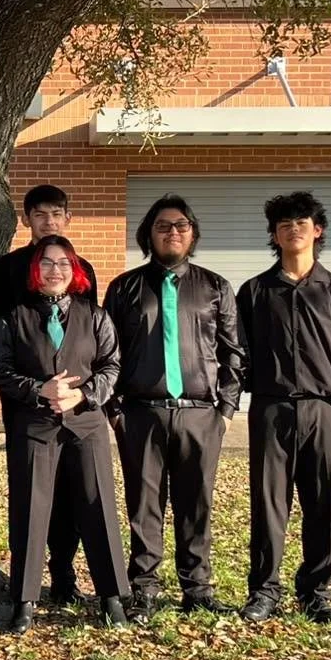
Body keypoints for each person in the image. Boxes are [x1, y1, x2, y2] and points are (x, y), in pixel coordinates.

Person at [103, 194, 244, 624]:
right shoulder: (125, 288)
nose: (173, 232)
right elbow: (108, 352)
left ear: (193, 233)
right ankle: (143, 587)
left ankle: (197, 588)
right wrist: (115, 409)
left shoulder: (215, 286)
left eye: (181, 225)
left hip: (201, 414)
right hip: (141, 413)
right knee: (144, 504)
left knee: (195, 502)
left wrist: (226, 407)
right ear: (148, 234)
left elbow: (234, 351)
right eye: (163, 226)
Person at [0, 235, 129, 634]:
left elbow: (111, 367)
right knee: (30, 512)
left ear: (76, 272)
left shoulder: (96, 315)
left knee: (98, 505)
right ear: (36, 271)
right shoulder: (14, 318)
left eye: (64, 264)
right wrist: (39, 391)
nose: (56, 271)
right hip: (33, 427)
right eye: (48, 264)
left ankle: (111, 596)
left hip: (85, 424)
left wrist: (82, 395)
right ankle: (25, 600)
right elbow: (0, 369)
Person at [237, 192, 331, 626]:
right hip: (270, 409)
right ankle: (264, 590)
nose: (294, 228)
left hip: (323, 409)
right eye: (284, 223)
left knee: (321, 499)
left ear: (317, 229)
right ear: (274, 234)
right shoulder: (254, 292)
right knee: (269, 502)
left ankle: (315, 590)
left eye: (302, 221)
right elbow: (242, 350)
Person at [0, 184, 99, 606]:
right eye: (39, 214)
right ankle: (27, 586)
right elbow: (1, 334)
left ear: (67, 218)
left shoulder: (80, 266)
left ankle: (64, 571)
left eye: (56, 213)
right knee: (31, 492)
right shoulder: (8, 269)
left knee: (72, 490)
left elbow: (88, 333)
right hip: (26, 400)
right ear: (26, 220)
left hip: (73, 401)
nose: (48, 221)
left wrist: (74, 392)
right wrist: (35, 390)